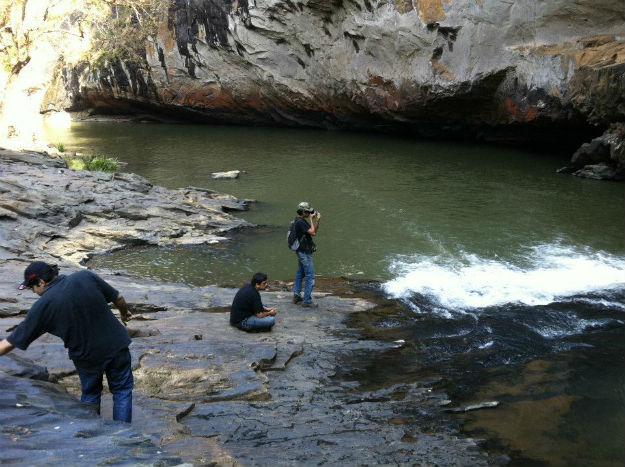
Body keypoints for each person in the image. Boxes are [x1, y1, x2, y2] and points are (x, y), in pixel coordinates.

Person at [0, 261, 134, 423]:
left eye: (32, 287)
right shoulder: (85, 276)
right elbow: (118, 298)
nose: (34, 292)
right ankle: (125, 437)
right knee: (122, 391)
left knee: (91, 395)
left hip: (87, 357)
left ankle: (92, 434)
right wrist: (124, 313)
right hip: (116, 345)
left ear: (41, 282)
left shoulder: (43, 306)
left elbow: (10, 342)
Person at [291, 201, 321, 307]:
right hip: (304, 253)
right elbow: (312, 232)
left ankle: (296, 295)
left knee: (300, 273)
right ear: (303, 212)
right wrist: (312, 219)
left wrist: (317, 220)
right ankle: (307, 300)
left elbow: (314, 233)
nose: (309, 213)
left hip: (301, 251)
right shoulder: (300, 222)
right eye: (307, 212)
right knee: (310, 276)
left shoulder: (299, 220)